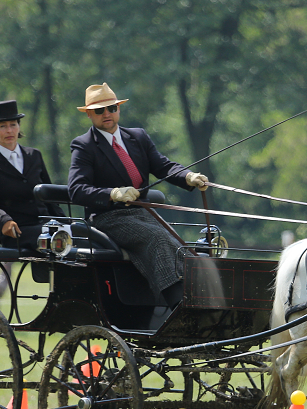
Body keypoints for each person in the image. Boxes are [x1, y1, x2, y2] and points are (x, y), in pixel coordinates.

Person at [67, 82, 208, 306]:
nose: (106, 114)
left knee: (182, 245)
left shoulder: (138, 137)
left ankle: (201, 298)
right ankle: (179, 304)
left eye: (111, 108)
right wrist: (113, 193)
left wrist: (187, 176)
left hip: (143, 214)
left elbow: (163, 166)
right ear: (89, 115)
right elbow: (76, 189)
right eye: (99, 110)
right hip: (107, 218)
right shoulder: (84, 146)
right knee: (158, 238)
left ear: (118, 109)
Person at [0, 100, 65, 297]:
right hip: (15, 230)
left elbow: (49, 195)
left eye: (13, 124)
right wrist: (3, 220)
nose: (9, 130)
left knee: (82, 235)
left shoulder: (34, 156)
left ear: (19, 127)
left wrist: (65, 221)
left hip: (47, 225)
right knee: (60, 239)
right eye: (2, 126)